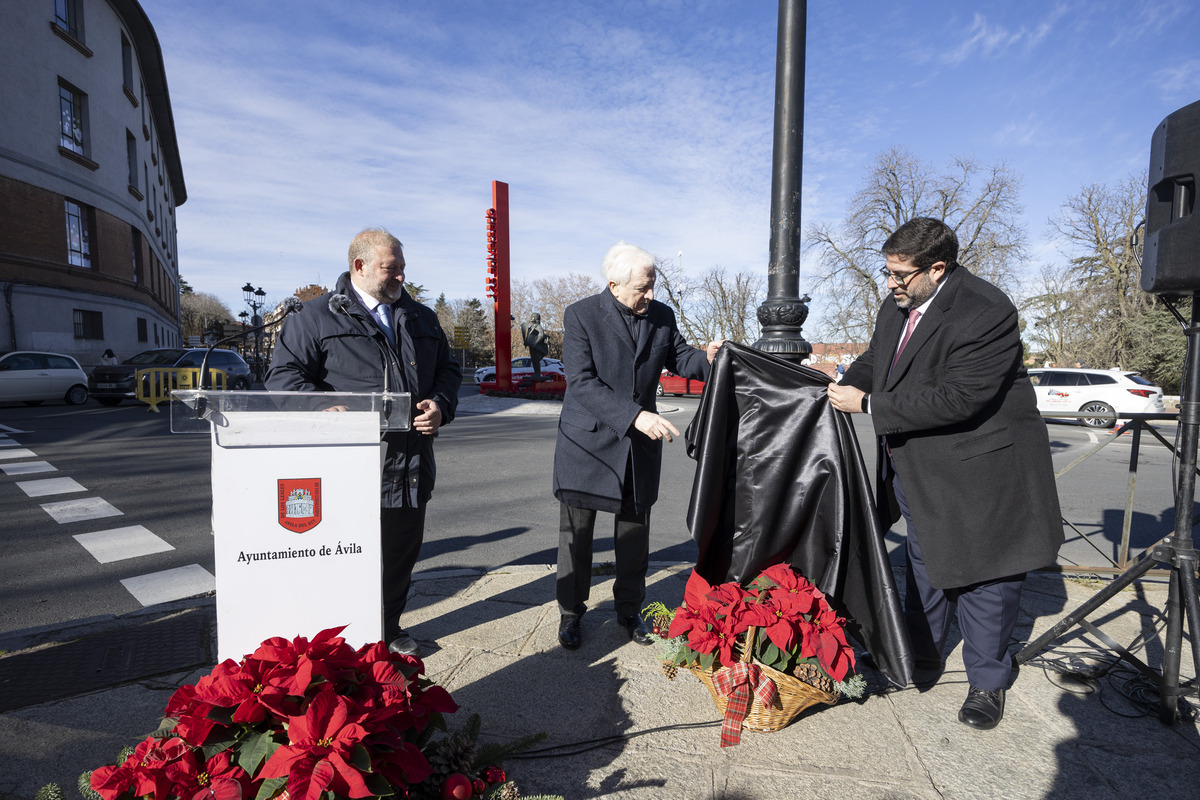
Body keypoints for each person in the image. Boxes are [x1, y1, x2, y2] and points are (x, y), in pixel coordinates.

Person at [827, 217, 1063, 730]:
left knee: (985, 576)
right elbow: (877, 358)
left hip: (979, 467)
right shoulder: (900, 302)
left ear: (937, 268)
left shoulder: (986, 309)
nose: (890, 284)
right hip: (918, 465)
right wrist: (840, 384)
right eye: (886, 273)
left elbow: (962, 396)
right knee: (926, 559)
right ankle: (919, 658)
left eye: (899, 275)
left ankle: (988, 682)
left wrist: (867, 403)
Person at [266, 227, 461, 658]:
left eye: (404, 270)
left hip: (410, 465)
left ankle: (388, 629)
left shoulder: (422, 317)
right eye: (392, 270)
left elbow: (449, 371)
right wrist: (319, 408)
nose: (401, 279)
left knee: (399, 556)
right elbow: (281, 378)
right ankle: (338, 641)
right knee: (344, 557)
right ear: (360, 266)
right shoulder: (314, 317)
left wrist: (442, 405)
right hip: (348, 469)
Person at [552, 242, 720, 650]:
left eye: (653, 286)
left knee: (634, 533)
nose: (650, 295)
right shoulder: (580, 315)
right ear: (613, 284)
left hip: (637, 448)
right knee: (577, 536)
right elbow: (582, 381)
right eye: (643, 288)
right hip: (587, 443)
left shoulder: (661, 314)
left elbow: (680, 357)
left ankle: (629, 610)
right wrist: (635, 415)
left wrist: (712, 359)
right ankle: (571, 613)